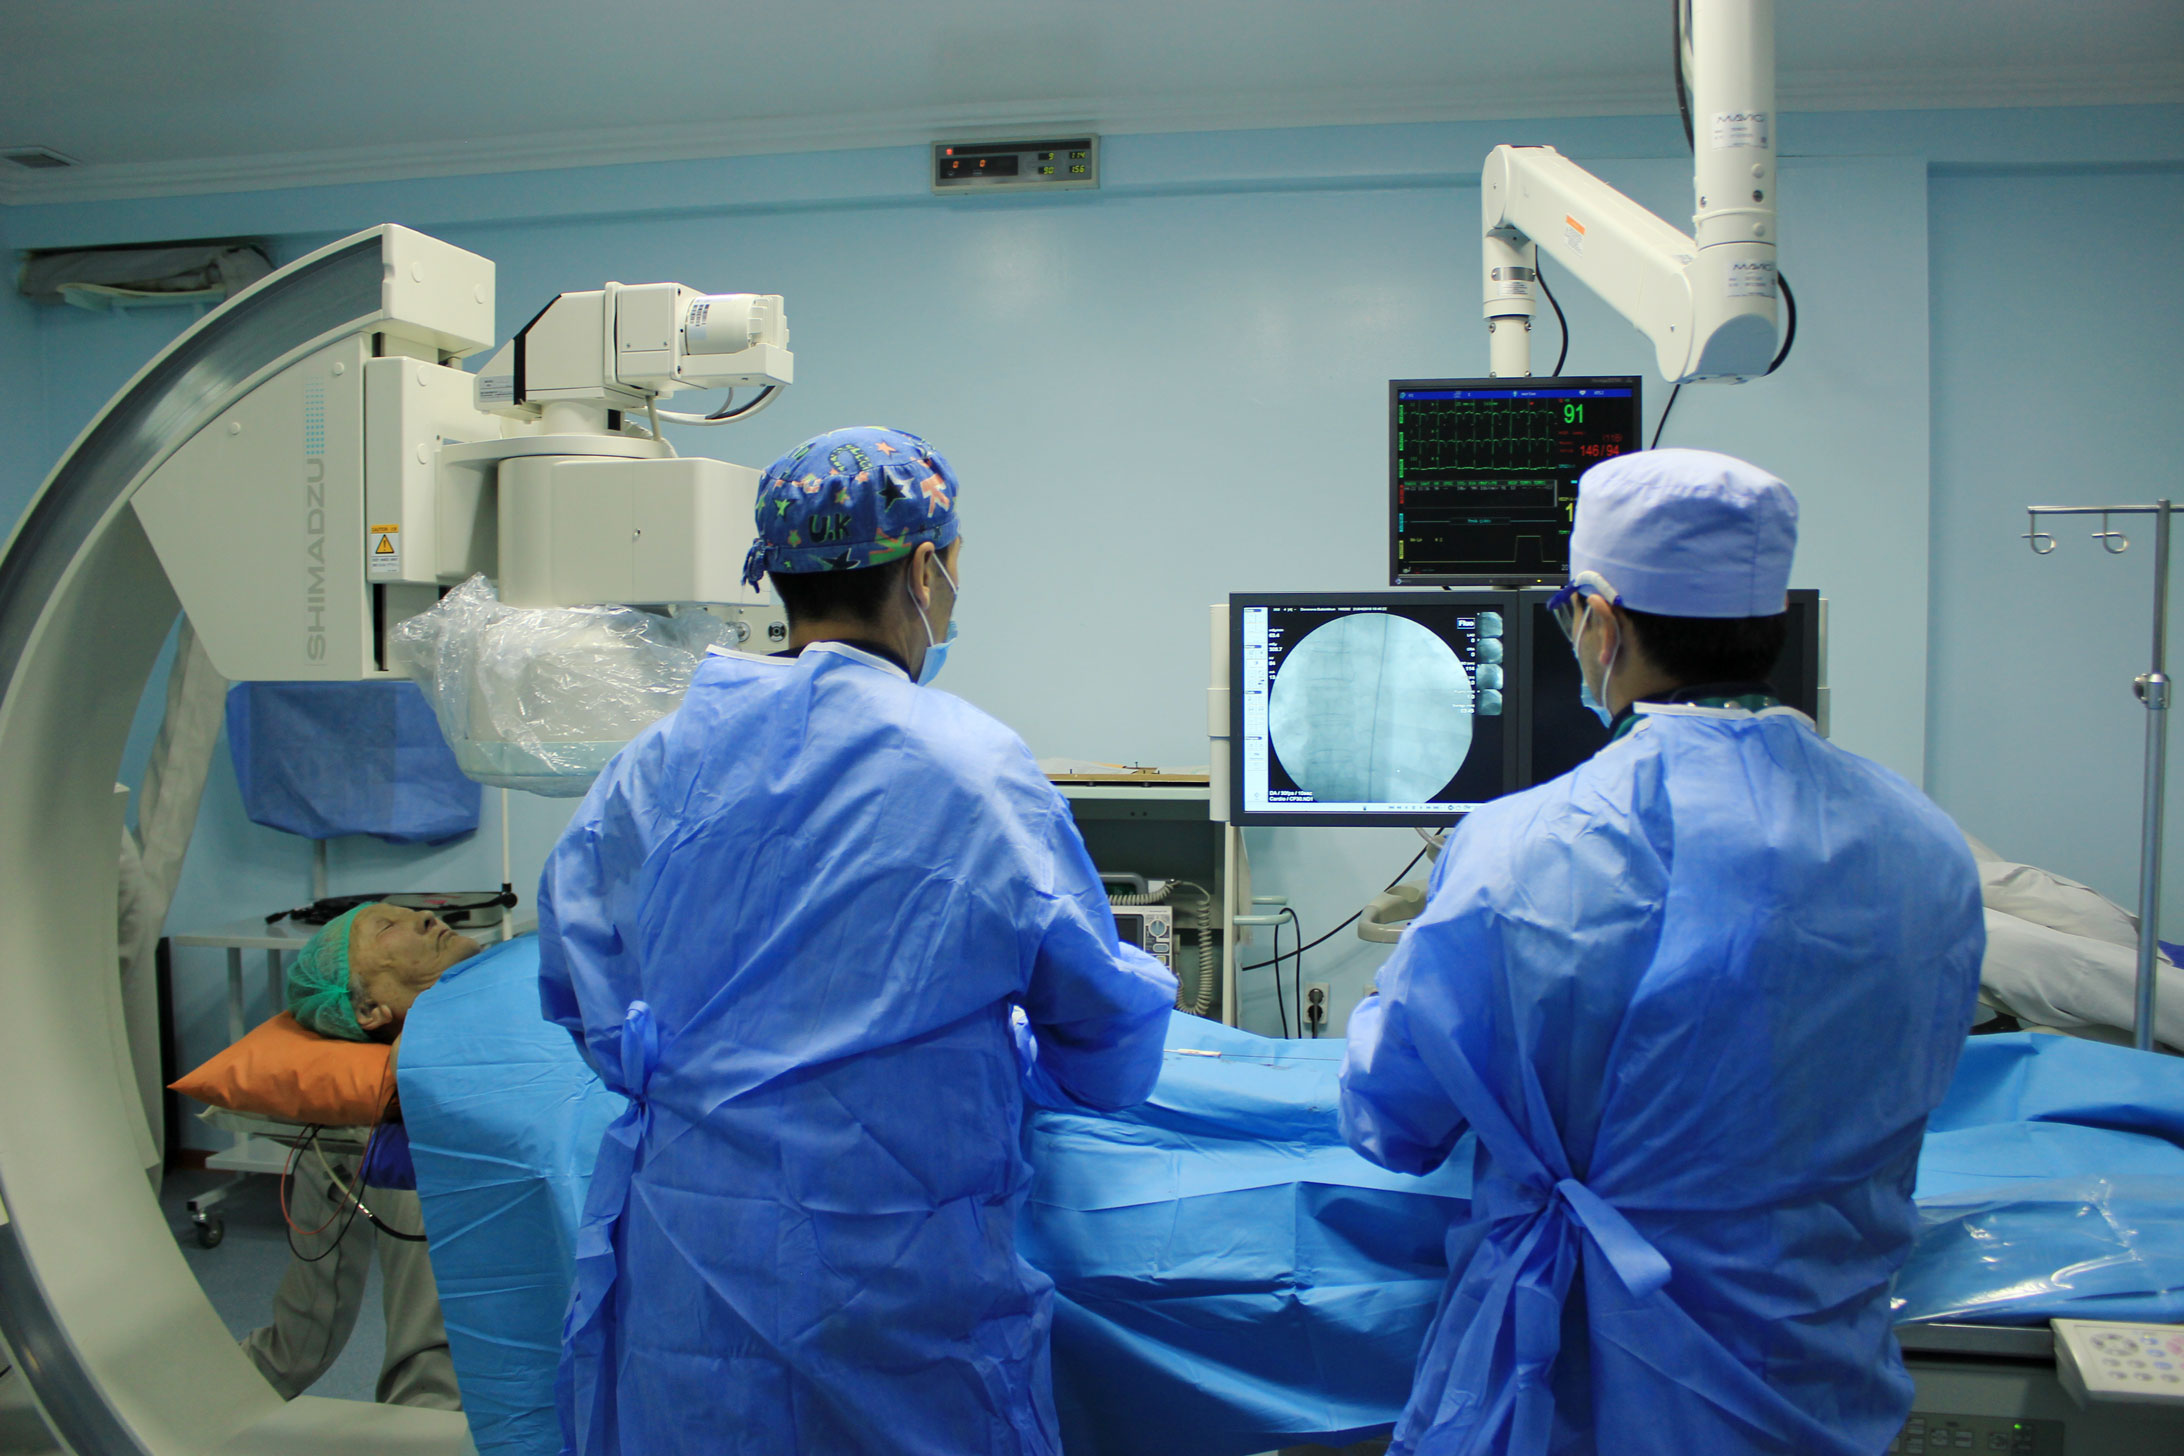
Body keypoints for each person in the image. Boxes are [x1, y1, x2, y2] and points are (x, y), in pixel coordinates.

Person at [537, 425, 1178, 1456]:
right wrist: (1029, 1059)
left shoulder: (657, 762)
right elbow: (1104, 1034)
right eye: (953, 566)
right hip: (896, 1277)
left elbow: (589, 995)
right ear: (925, 571)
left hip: (696, 1260)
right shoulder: (975, 771)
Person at [1338, 448, 1985, 1456]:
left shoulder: (1519, 848)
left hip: (1571, 1386)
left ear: (1600, 622)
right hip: (1814, 1383)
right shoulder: (1925, 844)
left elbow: (1394, 1119)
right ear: (1772, 620)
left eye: (1572, 616)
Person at [240, 902, 480, 1410]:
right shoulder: (398, 1109)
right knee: (423, 1370)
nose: (424, 916)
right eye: (387, 926)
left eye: (410, 911)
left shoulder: (515, 976)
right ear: (370, 1009)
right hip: (395, 1143)